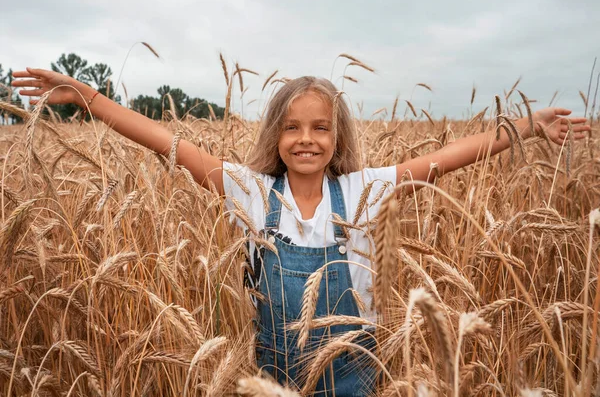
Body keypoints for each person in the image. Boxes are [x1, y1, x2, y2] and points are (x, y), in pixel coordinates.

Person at [12, 68, 590, 395]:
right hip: (273, 376)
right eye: (291, 127)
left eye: (319, 128)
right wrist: (88, 98)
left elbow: (446, 158)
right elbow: (170, 143)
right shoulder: (251, 194)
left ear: (337, 139)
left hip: (357, 376)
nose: (306, 139)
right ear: (275, 135)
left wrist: (525, 128)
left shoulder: (366, 191)